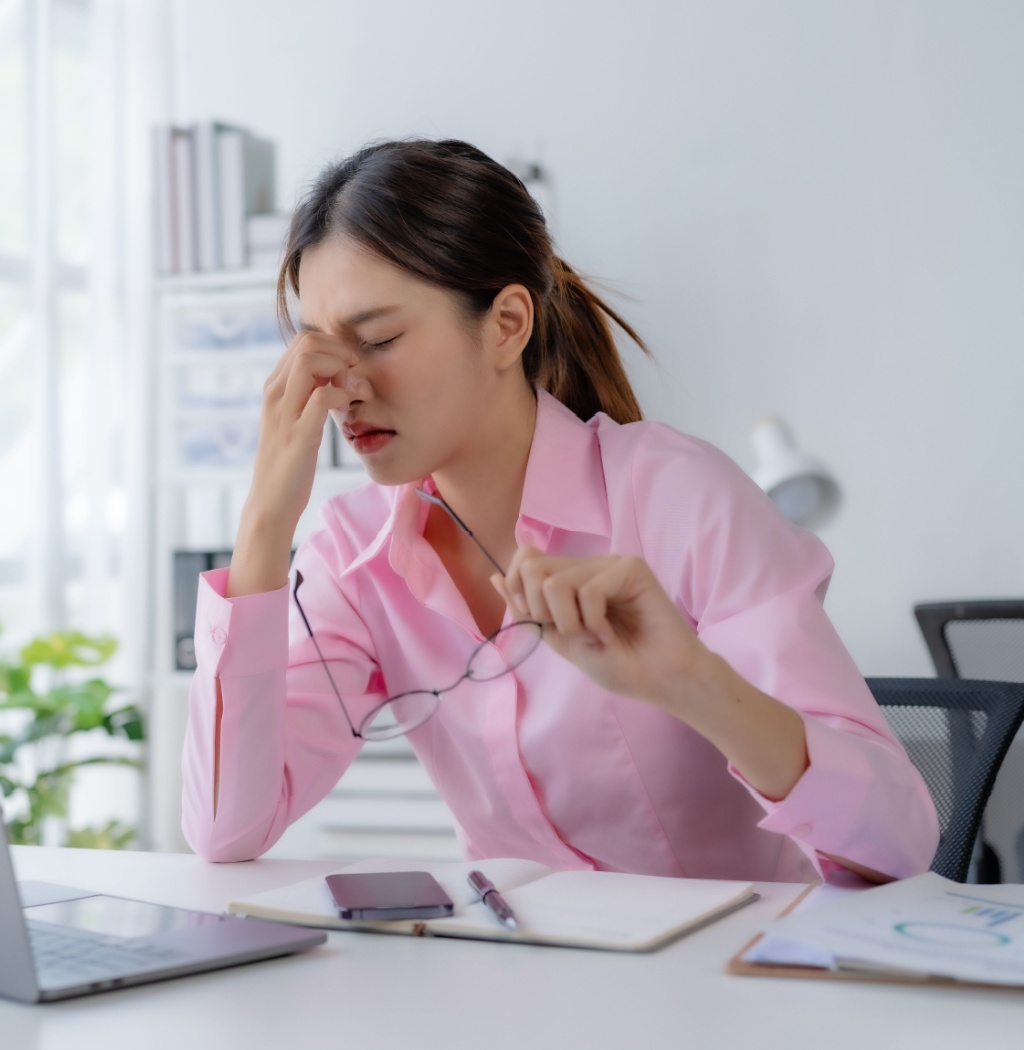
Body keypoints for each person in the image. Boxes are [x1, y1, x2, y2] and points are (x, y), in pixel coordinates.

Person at [180, 139, 937, 883]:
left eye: (377, 339)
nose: (343, 387)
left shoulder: (679, 498)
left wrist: (693, 684)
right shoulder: (351, 554)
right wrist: (263, 524)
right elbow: (227, 831)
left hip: (732, 985)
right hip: (526, 988)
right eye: (320, 352)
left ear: (507, 324)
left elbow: (899, 843)